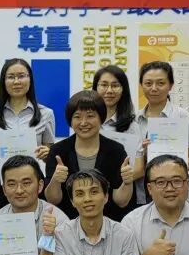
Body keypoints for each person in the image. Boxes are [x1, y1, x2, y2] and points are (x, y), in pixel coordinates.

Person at [44, 90, 137, 221]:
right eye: (77, 117)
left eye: (90, 116)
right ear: (70, 120)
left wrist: (127, 183)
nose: (83, 122)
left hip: (106, 223)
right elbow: (53, 200)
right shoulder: (58, 151)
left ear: (101, 118)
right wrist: (56, 180)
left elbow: (121, 202)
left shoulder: (116, 150)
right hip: (68, 224)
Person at [0, 59, 55, 210]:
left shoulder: (46, 114)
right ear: (3, 81)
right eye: (11, 77)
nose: (16, 81)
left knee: (34, 221)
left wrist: (47, 153)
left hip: (31, 178)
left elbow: (49, 157)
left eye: (21, 76)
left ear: (30, 79)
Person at [133, 61, 189, 206]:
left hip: (177, 191)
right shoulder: (135, 119)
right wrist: (142, 152)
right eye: (148, 83)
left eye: (160, 83)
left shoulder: (182, 116)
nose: (154, 88)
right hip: (144, 193)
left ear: (170, 85)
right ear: (141, 85)